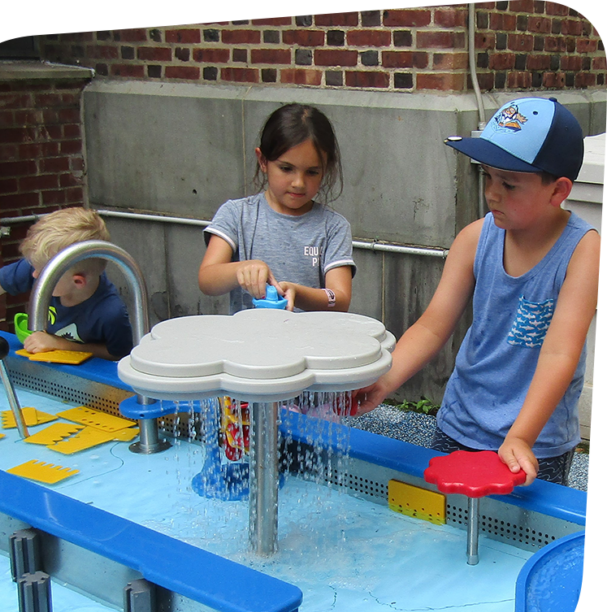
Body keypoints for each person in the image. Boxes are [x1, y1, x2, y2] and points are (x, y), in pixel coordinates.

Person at [356, 97, 600, 486]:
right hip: (460, 424)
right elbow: (433, 327)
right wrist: (385, 380)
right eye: (488, 176)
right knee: (445, 532)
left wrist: (520, 435)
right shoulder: (475, 238)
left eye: (509, 183)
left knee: (519, 541)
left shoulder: (583, 252)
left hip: (535, 441)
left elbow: (560, 352)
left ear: (558, 191)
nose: (492, 193)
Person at [198, 103, 355, 314]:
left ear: (325, 169)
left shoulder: (333, 227)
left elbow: (340, 298)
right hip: (248, 342)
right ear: (263, 161)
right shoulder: (236, 215)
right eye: (286, 168)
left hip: (310, 345)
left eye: (312, 172)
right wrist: (242, 269)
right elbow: (207, 279)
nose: (298, 182)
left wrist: (298, 293)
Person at [0, 207, 133, 361]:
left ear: (77, 281)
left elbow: (117, 354)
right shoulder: (47, 269)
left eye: (41, 272)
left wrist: (61, 344)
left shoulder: (110, 312)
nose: (34, 275)